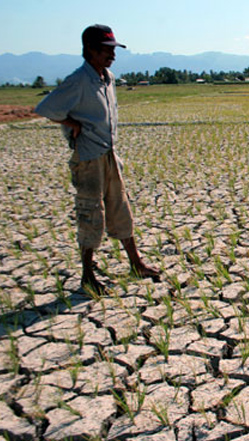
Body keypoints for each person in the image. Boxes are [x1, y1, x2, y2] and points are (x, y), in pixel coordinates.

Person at [35, 24, 160, 295]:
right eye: (105, 50)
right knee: (91, 214)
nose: (111, 55)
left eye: (113, 50)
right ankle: (87, 275)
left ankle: (136, 263)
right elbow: (46, 107)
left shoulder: (108, 78)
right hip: (89, 158)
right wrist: (70, 123)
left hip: (109, 154)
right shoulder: (79, 80)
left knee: (121, 209)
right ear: (89, 50)